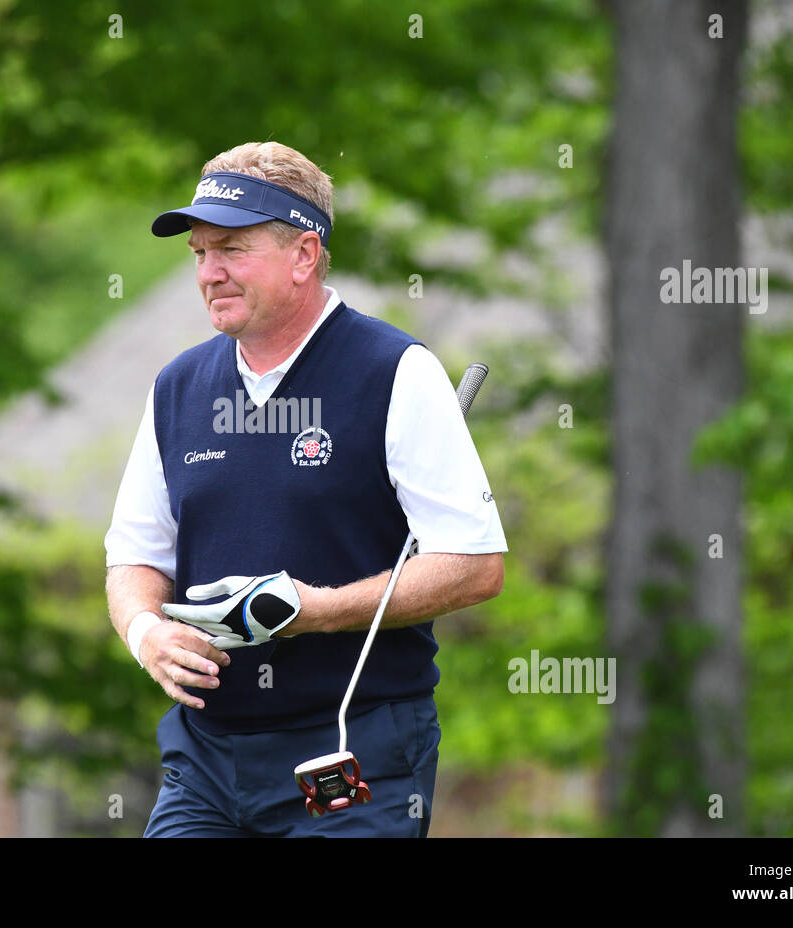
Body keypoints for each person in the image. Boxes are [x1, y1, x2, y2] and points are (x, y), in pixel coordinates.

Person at [104, 141, 506, 837]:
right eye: (199, 252)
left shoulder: (396, 372)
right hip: (204, 757)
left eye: (231, 248)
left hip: (355, 746)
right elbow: (133, 557)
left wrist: (312, 610)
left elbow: (475, 565)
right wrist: (146, 633)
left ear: (304, 255)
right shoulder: (177, 386)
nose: (209, 273)